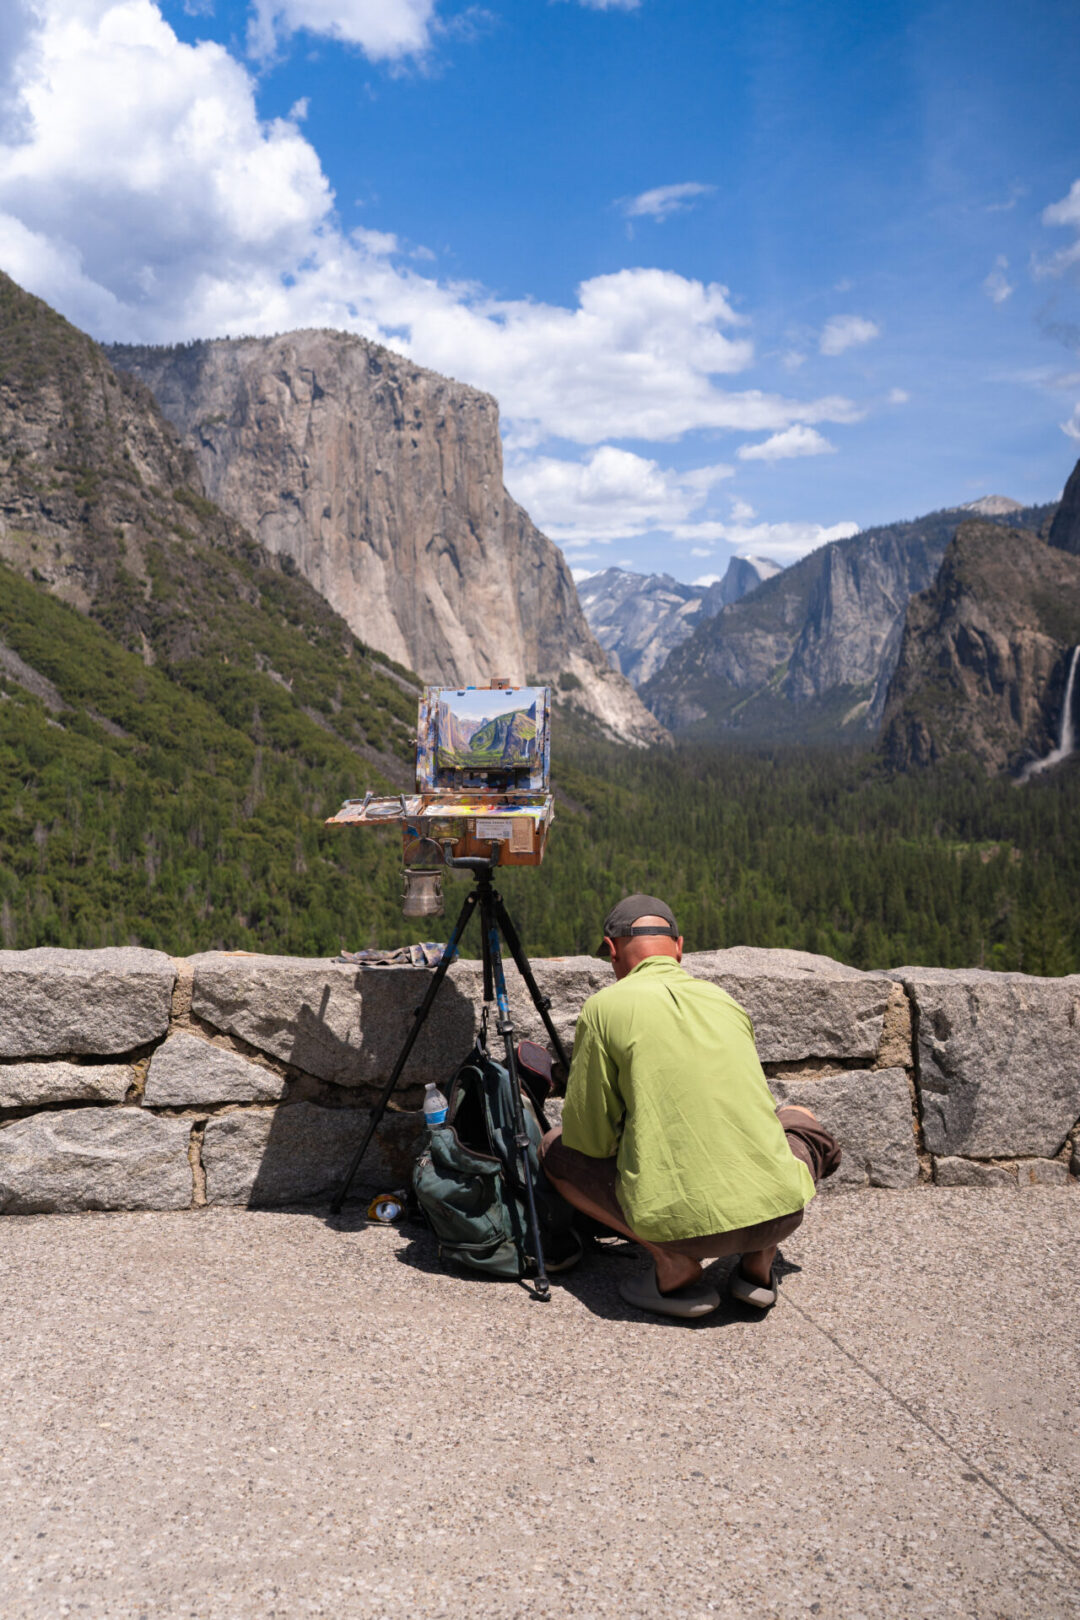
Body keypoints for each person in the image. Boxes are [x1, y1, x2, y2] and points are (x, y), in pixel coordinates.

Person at [540, 895, 841, 1319]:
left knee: (555, 1148)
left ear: (611, 950)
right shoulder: (725, 1001)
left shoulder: (604, 1009)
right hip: (782, 1212)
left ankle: (671, 1262)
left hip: (684, 1231)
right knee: (800, 1118)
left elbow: (591, 1140)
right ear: (679, 947)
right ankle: (760, 1258)